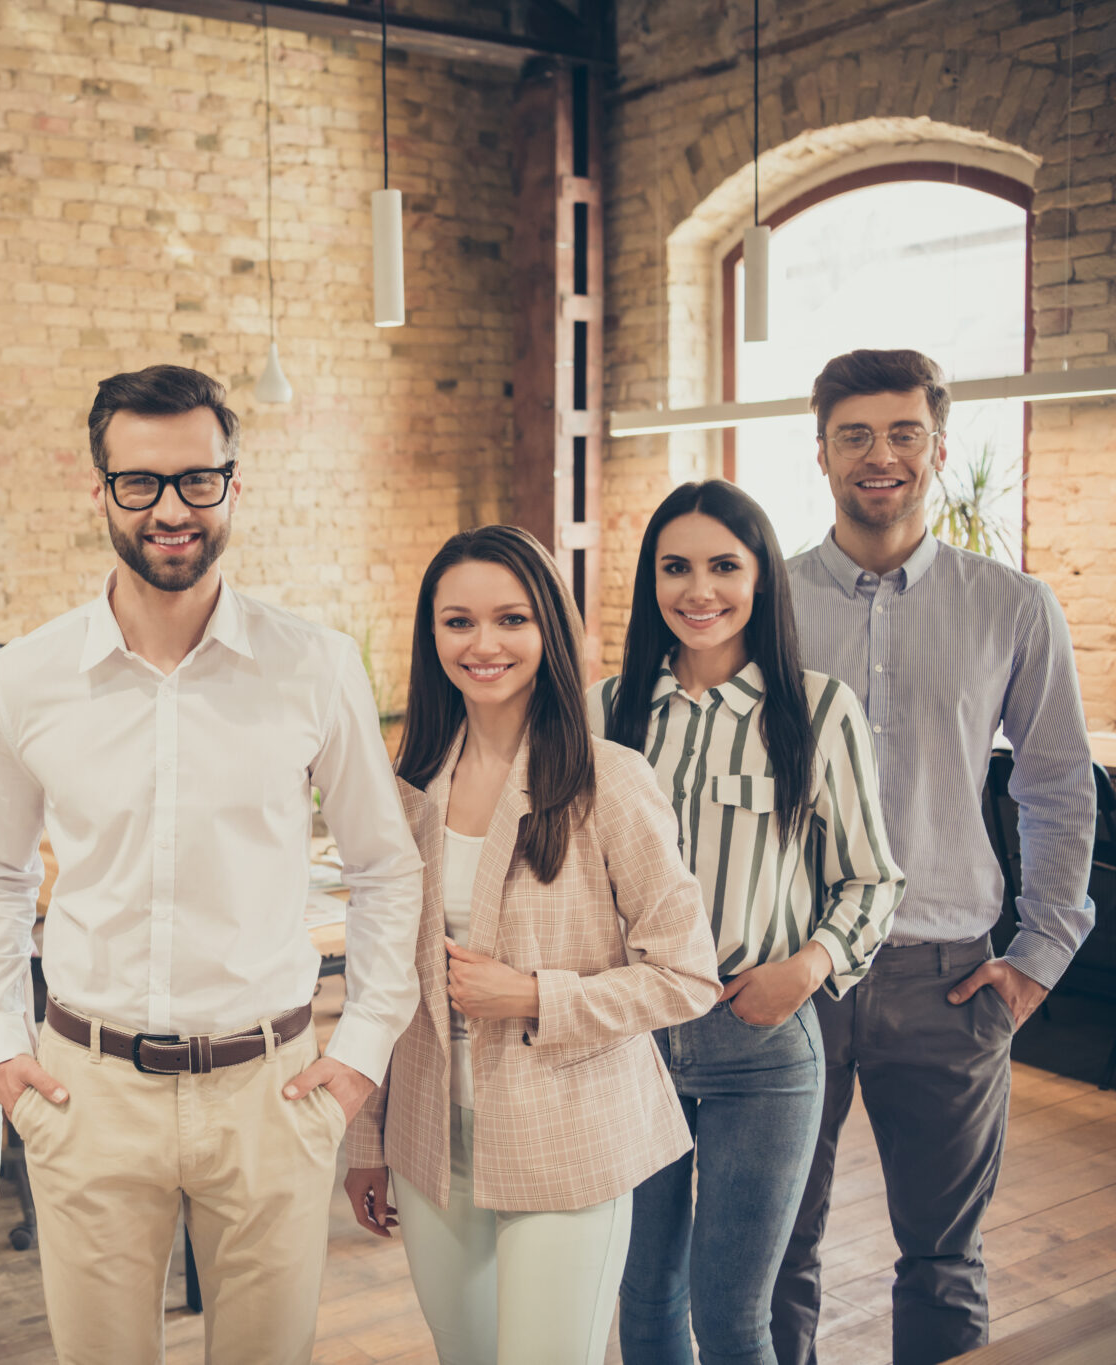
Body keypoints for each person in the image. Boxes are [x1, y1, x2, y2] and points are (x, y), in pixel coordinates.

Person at [0, 365, 424, 1364]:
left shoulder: (313, 663)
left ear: (231, 486)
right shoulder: (25, 677)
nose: (169, 508)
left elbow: (384, 867)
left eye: (195, 480)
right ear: (100, 491)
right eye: (139, 482)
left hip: (273, 1092)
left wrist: (360, 1056)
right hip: (86, 1091)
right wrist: (0, 1046)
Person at [772, 349, 1097, 1365]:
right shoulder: (761, 602)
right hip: (791, 973)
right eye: (855, 435)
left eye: (902, 433)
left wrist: (1037, 955)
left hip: (948, 978)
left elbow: (1054, 786)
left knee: (943, 1258)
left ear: (937, 449)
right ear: (819, 451)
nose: (880, 457)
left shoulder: (1011, 606)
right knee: (775, 1244)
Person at [342, 525, 721, 1365]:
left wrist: (536, 995)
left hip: (568, 1142)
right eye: (458, 622)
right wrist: (367, 1139)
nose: (483, 644)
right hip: (430, 1144)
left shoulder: (610, 780)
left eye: (510, 619)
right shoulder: (406, 791)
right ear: (430, 633)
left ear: (550, 628)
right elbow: (383, 982)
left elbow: (688, 974)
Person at [593, 481, 905, 1365]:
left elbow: (873, 881)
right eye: (676, 567)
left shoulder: (816, 709)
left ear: (762, 577)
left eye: (724, 565)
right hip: (630, 1048)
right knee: (644, 1302)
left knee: (734, 1321)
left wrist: (804, 969)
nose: (700, 590)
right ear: (652, 581)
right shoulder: (605, 712)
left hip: (761, 1051)